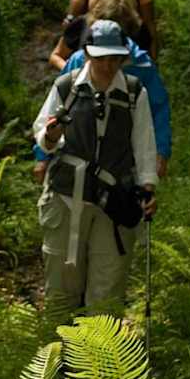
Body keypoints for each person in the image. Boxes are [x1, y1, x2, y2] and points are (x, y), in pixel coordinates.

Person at [33, 19, 158, 318]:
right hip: (66, 198)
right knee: (62, 290)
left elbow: (144, 144)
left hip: (114, 203)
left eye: (115, 58)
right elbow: (43, 134)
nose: (108, 65)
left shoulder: (132, 92)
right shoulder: (66, 87)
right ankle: (59, 360)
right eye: (102, 58)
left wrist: (148, 188)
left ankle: (98, 362)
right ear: (88, 55)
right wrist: (50, 136)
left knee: (106, 291)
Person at [38, 0, 172, 177]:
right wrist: (42, 156)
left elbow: (158, 109)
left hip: (124, 157)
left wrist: (160, 152)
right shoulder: (80, 61)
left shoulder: (142, 65)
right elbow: (56, 108)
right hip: (79, 153)